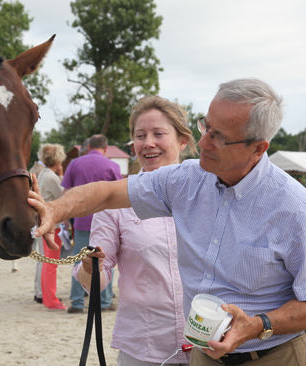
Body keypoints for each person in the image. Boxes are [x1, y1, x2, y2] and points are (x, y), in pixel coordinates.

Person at [30, 78, 306, 365]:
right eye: (206, 127)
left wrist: (258, 325)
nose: (203, 143)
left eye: (219, 137)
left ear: (257, 148)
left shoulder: (298, 212)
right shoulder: (185, 180)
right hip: (203, 355)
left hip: (274, 355)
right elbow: (108, 193)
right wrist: (55, 211)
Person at [73, 96, 197, 365]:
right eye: (140, 135)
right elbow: (96, 280)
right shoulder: (114, 203)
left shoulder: (206, 194)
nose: (148, 142)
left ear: (182, 141)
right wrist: (91, 269)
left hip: (209, 346)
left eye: (158, 134)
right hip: (144, 348)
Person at [61, 134, 123, 314]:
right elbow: (121, 194)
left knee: (80, 262)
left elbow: (66, 191)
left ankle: (77, 302)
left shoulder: (74, 164)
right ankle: (104, 302)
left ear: (88, 148)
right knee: (105, 261)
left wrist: (65, 217)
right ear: (105, 148)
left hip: (81, 220)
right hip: (106, 222)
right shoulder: (112, 165)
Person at [36, 143, 68, 310]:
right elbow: (62, 196)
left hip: (43, 222)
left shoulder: (43, 174)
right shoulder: (51, 177)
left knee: (47, 261)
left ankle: (47, 297)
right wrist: (62, 177)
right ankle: (52, 300)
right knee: (51, 263)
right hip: (53, 225)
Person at [29, 157, 46, 304]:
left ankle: (38, 291)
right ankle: (40, 292)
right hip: (42, 220)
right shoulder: (42, 173)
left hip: (37, 220)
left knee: (41, 258)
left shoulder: (34, 170)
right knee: (44, 259)